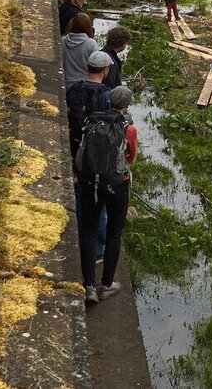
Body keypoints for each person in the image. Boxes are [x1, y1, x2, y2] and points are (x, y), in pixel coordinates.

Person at [76, 84, 137, 305]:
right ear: (127, 104)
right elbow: (130, 158)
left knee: (89, 230)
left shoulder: (91, 122)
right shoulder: (128, 128)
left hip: (91, 184)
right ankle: (107, 284)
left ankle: (89, 286)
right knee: (113, 232)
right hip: (116, 186)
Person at [66, 50, 113, 161]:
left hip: (73, 138)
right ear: (105, 69)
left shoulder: (74, 87)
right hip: (93, 145)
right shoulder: (106, 95)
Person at [61, 13, 100, 87]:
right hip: (83, 85)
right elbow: (96, 66)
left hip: (65, 83)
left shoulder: (63, 41)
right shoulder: (91, 44)